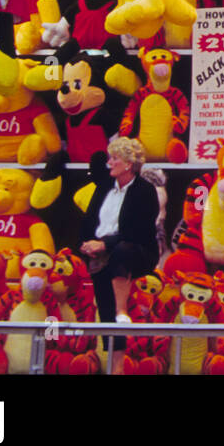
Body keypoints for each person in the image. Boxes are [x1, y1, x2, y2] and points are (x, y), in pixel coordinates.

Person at [79, 137, 160, 325]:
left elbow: (140, 231)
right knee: (106, 316)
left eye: (115, 158)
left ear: (129, 164)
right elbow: (89, 220)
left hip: (134, 251)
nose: (109, 163)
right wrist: (85, 244)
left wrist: (105, 244)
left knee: (121, 251)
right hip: (99, 252)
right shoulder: (104, 187)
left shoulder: (145, 191)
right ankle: (115, 352)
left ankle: (121, 309)